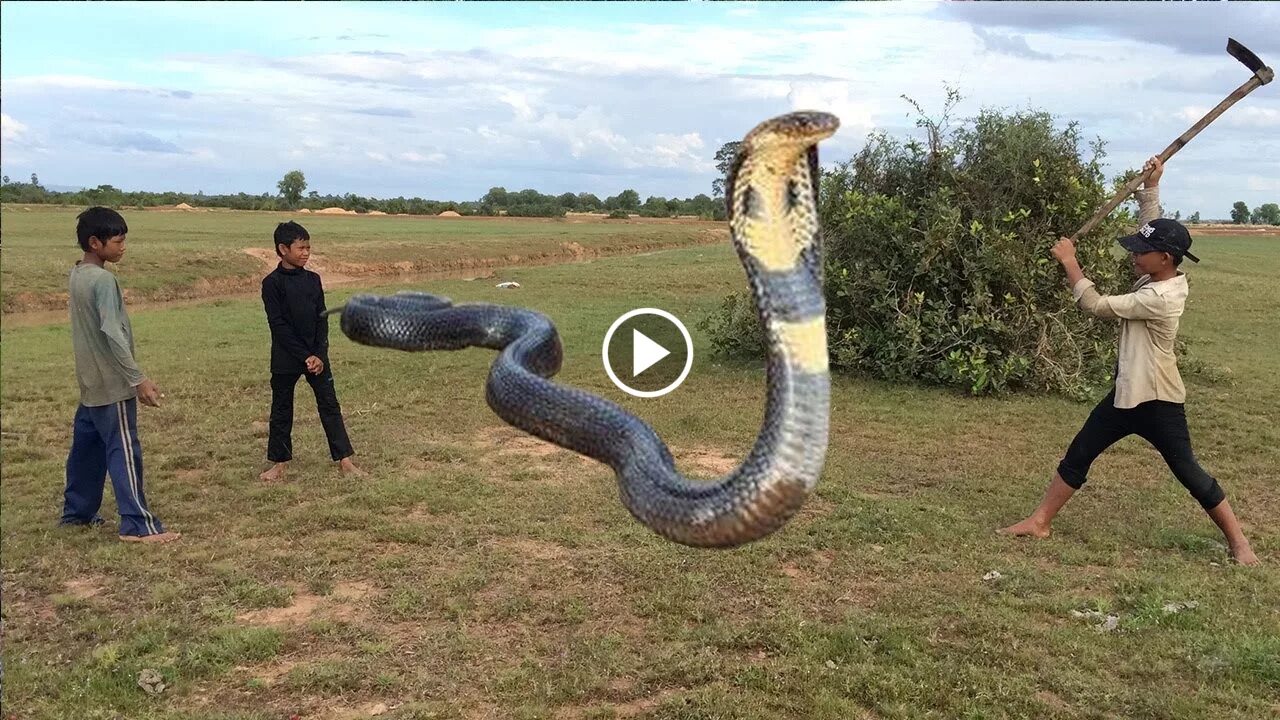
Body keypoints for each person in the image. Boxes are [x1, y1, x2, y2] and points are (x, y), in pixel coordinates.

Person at [1000, 157, 1258, 565]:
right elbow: (1151, 226)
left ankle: (1240, 544)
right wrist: (1153, 186)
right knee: (1080, 452)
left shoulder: (1159, 297)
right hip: (1127, 393)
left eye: (1143, 252)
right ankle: (1040, 522)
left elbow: (1096, 304)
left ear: (1166, 259)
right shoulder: (1157, 274)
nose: (1135, 256)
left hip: (1157, 400)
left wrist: (1070, 262)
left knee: (1188, 471)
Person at [62, 207, 181, 544]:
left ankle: (77, 513)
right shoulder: (104, 280)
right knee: (124, 449)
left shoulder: (78, 274)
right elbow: (112, 333)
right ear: (95, 242)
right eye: (117, 241)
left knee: (85, 449)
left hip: (89, 383)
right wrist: (137, 378)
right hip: (112, 385)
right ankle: (137, 524)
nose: (123, 247)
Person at [259, 221, 363, 481]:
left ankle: (345, 460)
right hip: (286, 356)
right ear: (283, 249)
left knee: (329, 405)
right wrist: (304, 356)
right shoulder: (271, 284)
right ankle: (279, 463)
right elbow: (278, 325)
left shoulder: (313, 279)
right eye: (300, 248)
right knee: (281, 409)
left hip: (317, 356)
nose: (306, 253)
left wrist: (318, 353)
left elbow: (322, 318)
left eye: (308, 247)